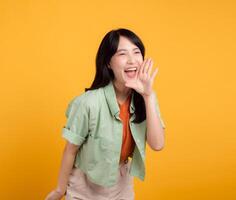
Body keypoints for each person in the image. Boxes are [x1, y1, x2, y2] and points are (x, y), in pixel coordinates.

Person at [45, 28, 166, 200]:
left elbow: (158, 144)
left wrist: (148, 96)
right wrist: (59, 190)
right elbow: (70, 150)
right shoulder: (88, 103)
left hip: (121, 184)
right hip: (84, 186)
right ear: (108, 62)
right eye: (122, 53)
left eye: (136, 52)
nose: (132, 60)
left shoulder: (146, 98)